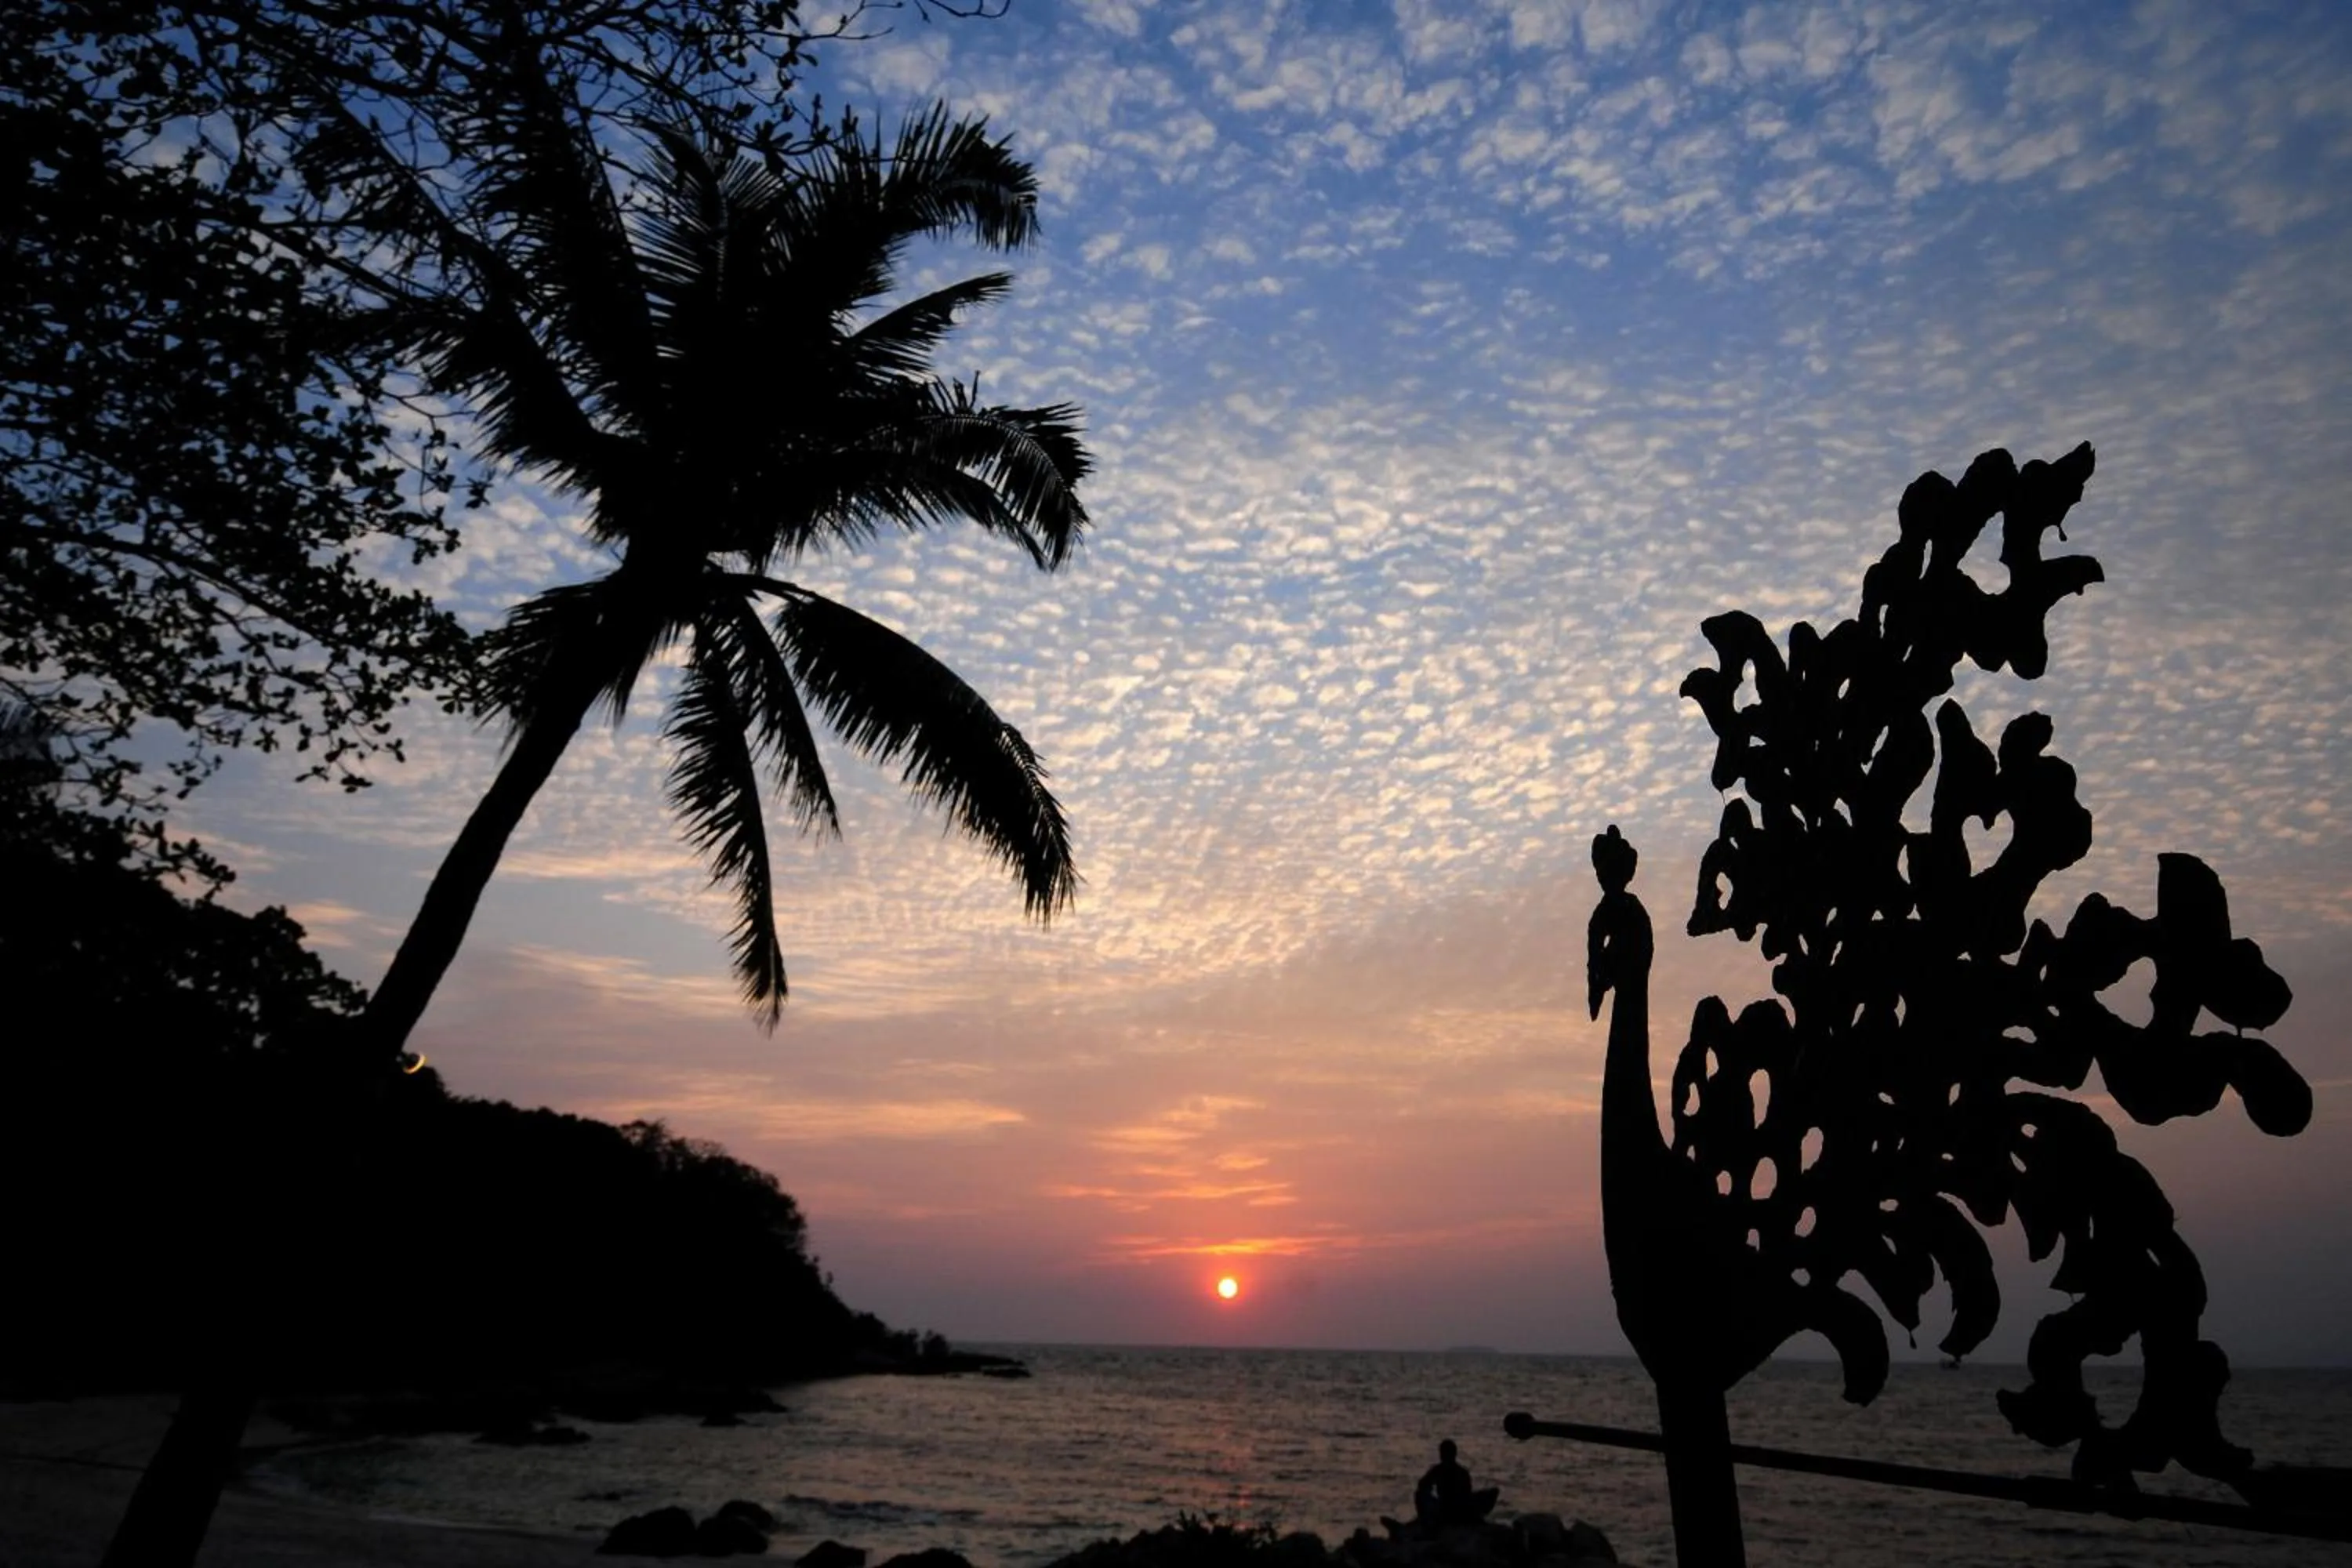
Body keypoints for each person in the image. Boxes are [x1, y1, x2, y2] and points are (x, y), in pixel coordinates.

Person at [1413, 1439, 1497, 1526]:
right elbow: (1468, 1493)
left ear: (1441, 1455)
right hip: (1458, 1509)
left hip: (1445, 1510)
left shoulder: (1438, 1470)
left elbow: (1422, 1485)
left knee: (1420, 1495)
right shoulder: (1462, 1472)